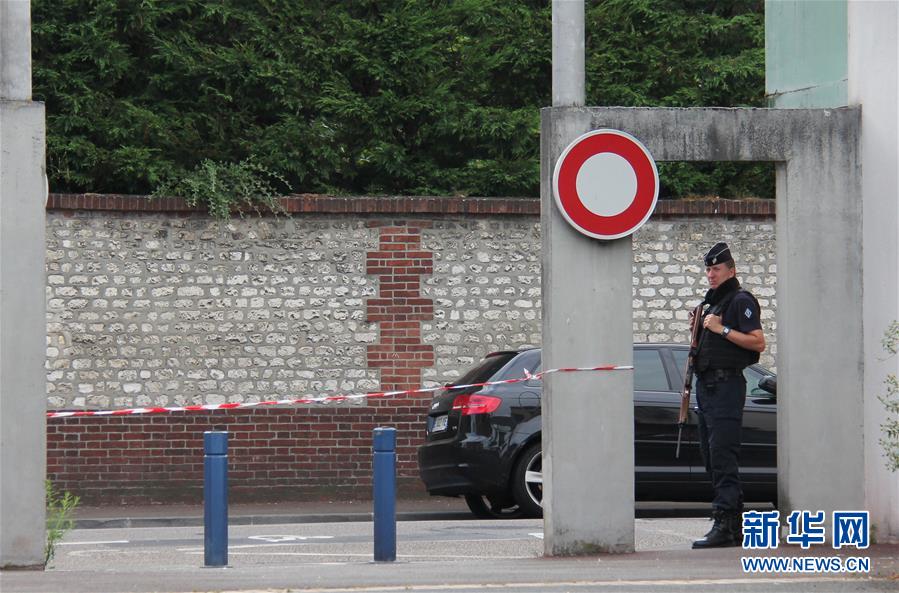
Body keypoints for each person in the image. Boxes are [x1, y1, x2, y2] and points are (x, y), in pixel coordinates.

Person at [691, 242, 766, 549]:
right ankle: (732, 524)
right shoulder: (714, 304)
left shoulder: (739, 300)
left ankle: (725, 524)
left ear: (731, 270)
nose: (711, 274)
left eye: (716, 269)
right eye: (708, 269)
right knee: (712, 457)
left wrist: (720, 329)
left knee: (723, 455)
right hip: (707, 387)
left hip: (726, 387)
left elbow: (758, 342)